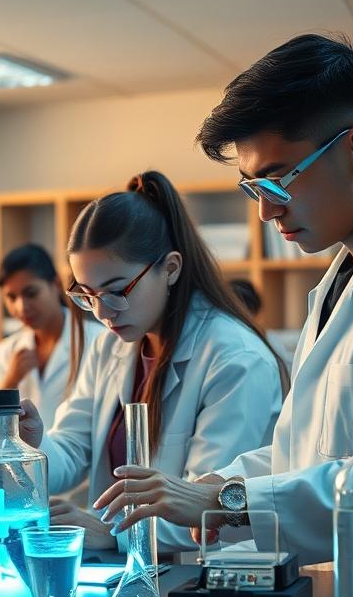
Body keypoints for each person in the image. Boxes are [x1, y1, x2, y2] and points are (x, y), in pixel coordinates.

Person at [92, 34, 353, 572]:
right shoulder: (347, 275)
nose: (266, 213)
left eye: (278, 181)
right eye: (253, 189)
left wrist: (229, 502)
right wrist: (204, 489)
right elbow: (304, 455)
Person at [20, 170, 288, 551]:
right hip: (132, 572)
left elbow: (207, 512)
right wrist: (32, 444)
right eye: (87, 294)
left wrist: (111, 532)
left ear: (171, 269)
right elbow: (73, 451)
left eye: (116, 291)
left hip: (208, 575)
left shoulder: (235, 359)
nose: (102, 312)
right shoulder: (109, 346)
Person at [0, 243, 98, 431]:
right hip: (22, 459)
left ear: (55, 284)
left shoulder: (97, 340)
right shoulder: (8, 350)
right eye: (11, 297)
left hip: (77, 458)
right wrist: (10, 381)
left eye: (31, 293)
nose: (22, 307)